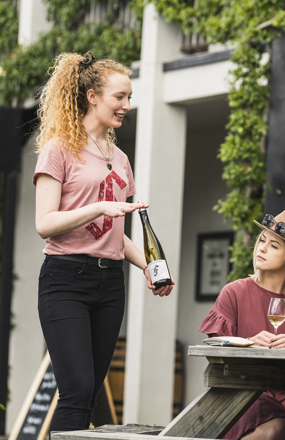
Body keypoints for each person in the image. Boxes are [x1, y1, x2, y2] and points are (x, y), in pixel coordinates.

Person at [34, 51, 174, 433]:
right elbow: (45, 224)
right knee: (76, 390)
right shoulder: (59, 148)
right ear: (92, 96)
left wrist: (150, 268)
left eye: (130, 98)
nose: (127, 105)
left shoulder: (121, 159)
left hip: (110, 282)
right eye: (119, 97)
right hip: (66, 278)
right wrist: (98, 207)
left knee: (92, 393)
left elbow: (116, 232)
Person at [199, 210, 285, 440]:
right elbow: (214, 342)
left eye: (274, 246)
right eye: (262, 240)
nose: (261, 248)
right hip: (245, 392)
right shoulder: (234, 292)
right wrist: (247, 343)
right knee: (277, 428)